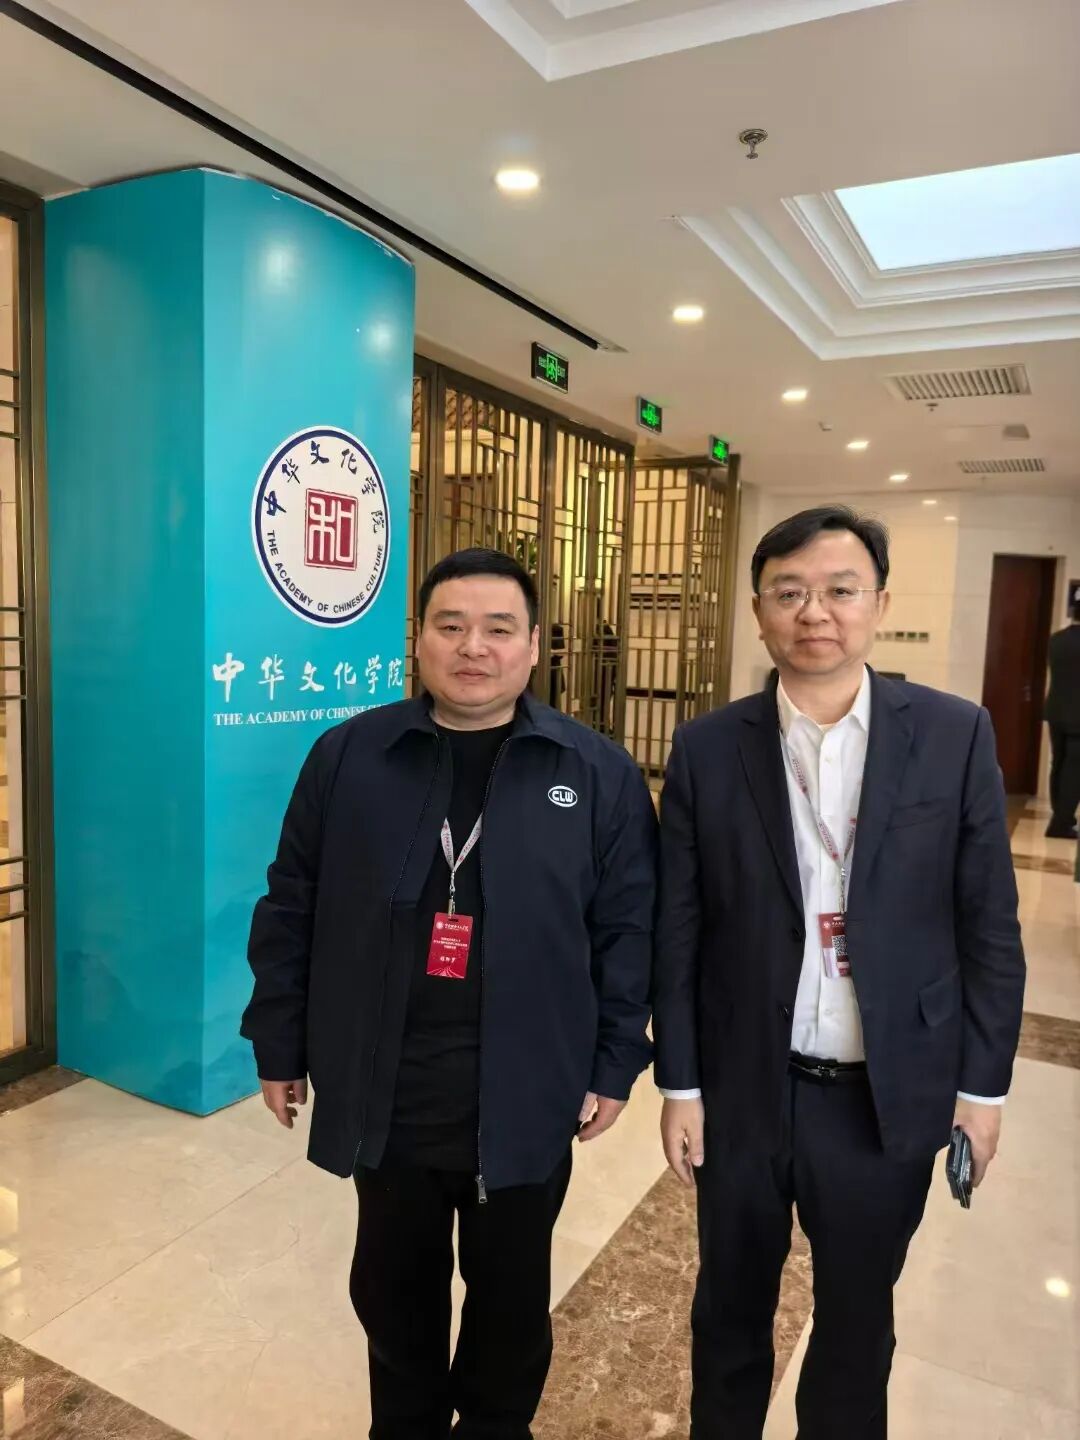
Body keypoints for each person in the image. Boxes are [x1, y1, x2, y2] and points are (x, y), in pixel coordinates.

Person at [241, 546, 656, 1440]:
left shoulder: (595, 772)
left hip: (528, 1089)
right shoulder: (352, 755)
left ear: (535, 645)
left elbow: (628, 931)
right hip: (387, 1084)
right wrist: (279, 1042)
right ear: (419, 639)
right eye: (451, 626)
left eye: (499, 628)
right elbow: (291, 902)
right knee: (394, 1300)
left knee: (510, 1307)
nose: (474, 647)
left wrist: (616, 1062)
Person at [654, 506, 1025, 1440]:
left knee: (857, 1326)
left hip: (884, 1095)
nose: (814, 611)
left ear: (879, 604)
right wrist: (681, 1084)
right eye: (789, 592)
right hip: (745, 1088)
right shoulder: (708, 747)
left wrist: (981, 1090)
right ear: (758, 612)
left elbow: (988, 923)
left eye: (839, 590)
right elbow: (679, 926)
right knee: (728, 1310)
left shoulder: (953, 733)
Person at [1043, 598, 1080, 838]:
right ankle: (1061, 823)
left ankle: (1059, 814)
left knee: (1058, 764)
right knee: (1074, 770)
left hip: (1056, 711)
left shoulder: (1056, 640)